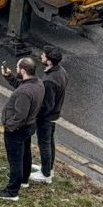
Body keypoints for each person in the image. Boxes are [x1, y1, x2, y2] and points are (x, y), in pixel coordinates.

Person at [0, 56, 45, 201]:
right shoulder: (38, 84)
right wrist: (10, 76)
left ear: (23, 71)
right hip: (29, 127)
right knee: (25, 153)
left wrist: (9, 126)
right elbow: (22, 85)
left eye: (17, 69)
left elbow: (20, 116)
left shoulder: (24, 92)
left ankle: (12, 191)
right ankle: (24, 179)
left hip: (17, 130)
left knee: (15, 159)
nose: (16, 70)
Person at [27, 46, 68, 184]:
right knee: (49, 142)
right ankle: (48, 167)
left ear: (49, 61)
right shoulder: (61, 72)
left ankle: (45, 174)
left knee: (44, 143)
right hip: (54, 114)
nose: (41, 56)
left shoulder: (50, 81)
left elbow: (46, 105)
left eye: (44, 56)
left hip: (46, 117)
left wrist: (35, 116)